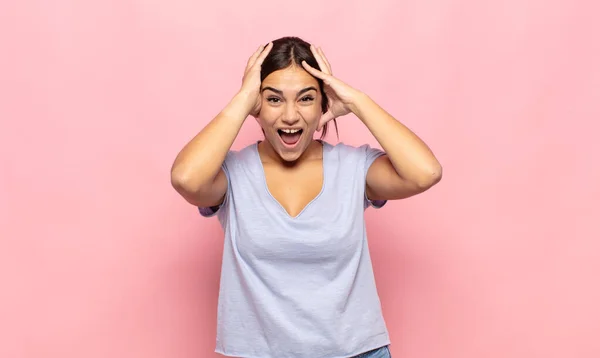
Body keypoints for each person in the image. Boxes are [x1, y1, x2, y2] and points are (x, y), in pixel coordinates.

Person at [171, 36, 442, 358]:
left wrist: (357, 102)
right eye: (273, 100)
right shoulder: (231, 174)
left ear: (323, 105)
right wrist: (241, 100)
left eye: (305, 99)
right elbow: (186, 179)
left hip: (357, 353)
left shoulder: (354, 168)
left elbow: (425, 173)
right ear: (256, 107)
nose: (289, 116)